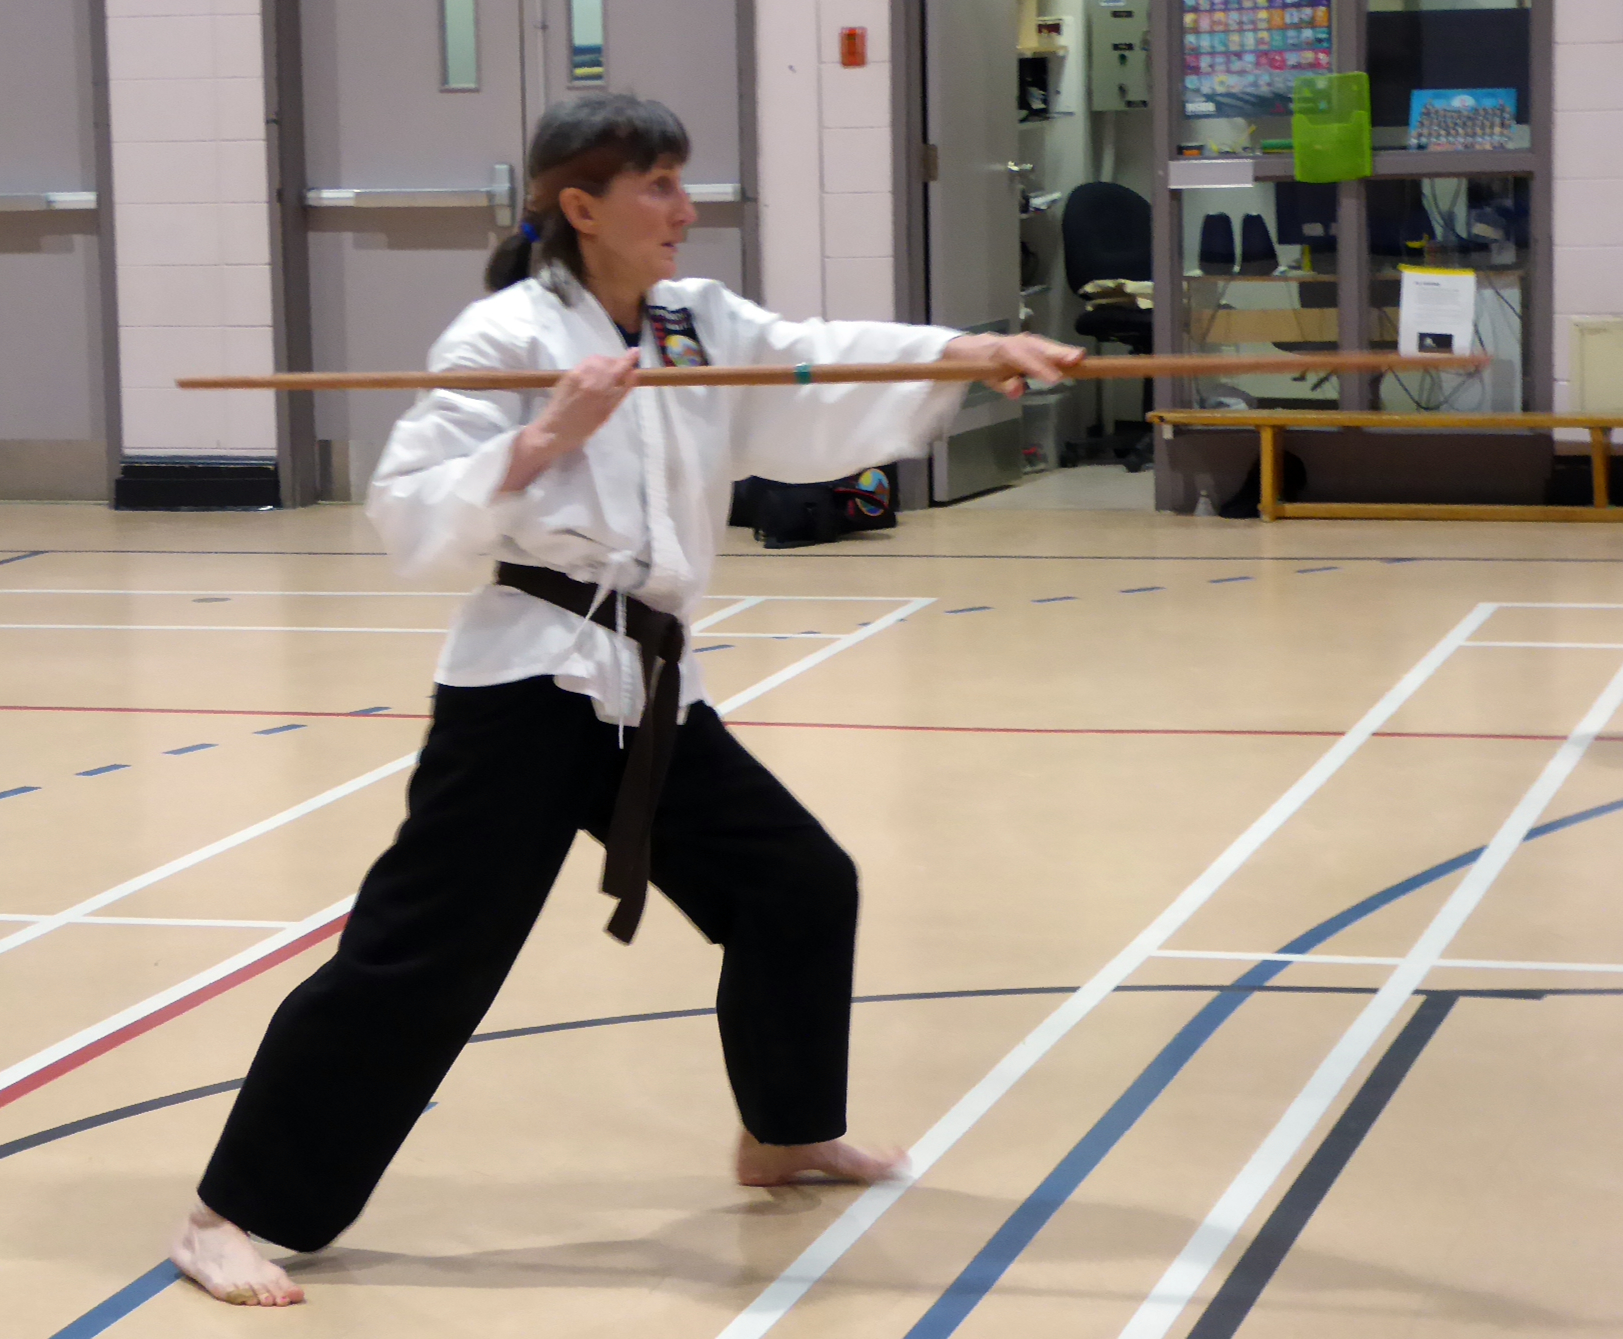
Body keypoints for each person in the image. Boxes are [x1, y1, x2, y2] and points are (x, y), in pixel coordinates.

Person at [170, 91, 1083, 1307]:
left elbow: (808, 365)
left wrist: (964, 354)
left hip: (646, 687)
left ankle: (785, 1133)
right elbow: (408, 509)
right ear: (580, 206)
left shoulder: (693, 324)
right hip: (527, 684)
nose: (682, 209)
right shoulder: (502, 337)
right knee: (424, 955)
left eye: (680, 180)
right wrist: (549, 432)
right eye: (656, 185)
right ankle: (228, 1213)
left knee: (795, 884)